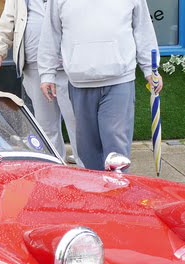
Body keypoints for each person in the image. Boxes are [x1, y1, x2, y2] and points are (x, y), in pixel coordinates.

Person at [38, 0, 161, 171]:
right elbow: (51, 33)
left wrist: (150, 69)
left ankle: (118, 192)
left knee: (116, 146)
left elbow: (143, 29)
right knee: (87, 149)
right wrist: (46, 73)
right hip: (79, 82)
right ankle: (96, 193)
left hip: (119, 80)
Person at [0, 0, 80, 165]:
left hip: (68, 66)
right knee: (46, 125)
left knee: (77, 123)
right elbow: (8, 20)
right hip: (34, 65)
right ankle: (54, 169)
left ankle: (86, 169)